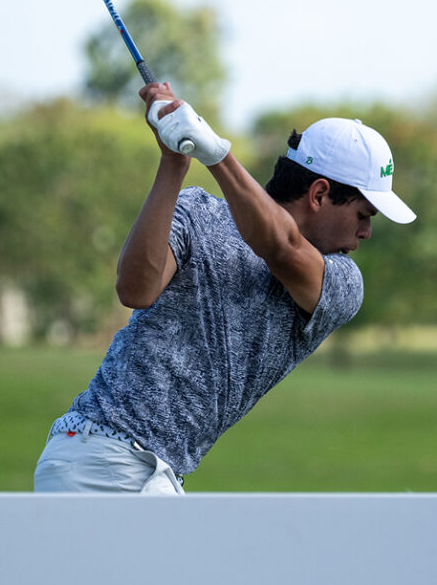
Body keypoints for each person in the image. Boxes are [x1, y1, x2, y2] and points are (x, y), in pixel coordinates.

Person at [33, 82, 416, 493]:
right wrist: (174, 162)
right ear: (320, 194)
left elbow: (282, 248)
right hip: (110, 461)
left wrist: (217, 154)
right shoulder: (197, 211)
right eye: (363, 214)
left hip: (138, 469)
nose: (366, 232)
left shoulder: (342, 282)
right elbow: (135, 290)